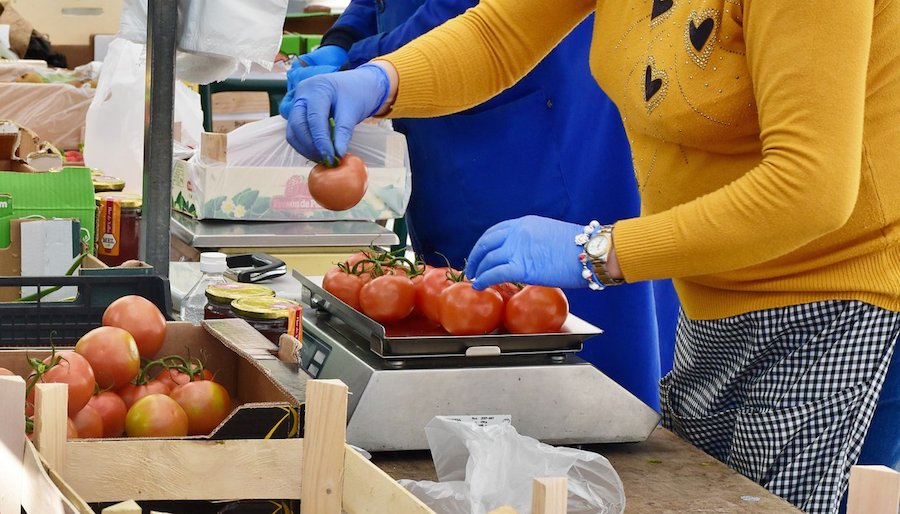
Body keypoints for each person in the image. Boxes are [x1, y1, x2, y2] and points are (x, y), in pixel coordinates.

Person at [284, 1, 900, 512]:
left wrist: (601, 250)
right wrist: (380, 80)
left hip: (840, 307)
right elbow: (500, 33)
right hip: (716, 299)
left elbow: (810, 189)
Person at [280, 0, 679, 410]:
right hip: (445, 114)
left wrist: (367, 65)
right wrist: (355, 48)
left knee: (586, 370)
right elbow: (483, 32)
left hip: (538, 133)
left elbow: (484, 21)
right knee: (463, 347)